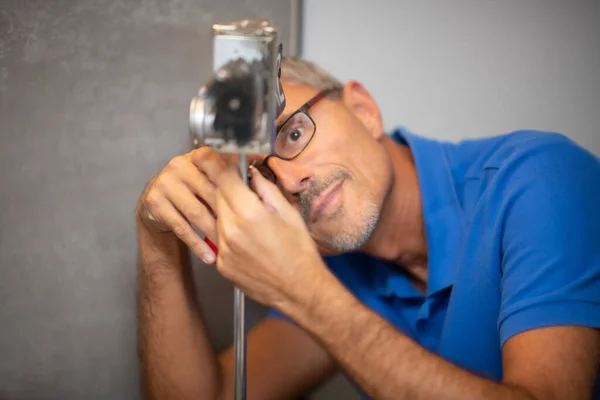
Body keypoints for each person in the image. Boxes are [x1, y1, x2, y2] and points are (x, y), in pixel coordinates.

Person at [135, 57, 600, 400]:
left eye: (293, 133)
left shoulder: (540, 177)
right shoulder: (341, 271)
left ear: (363, 109)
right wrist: (157, 244)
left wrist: (307, 294)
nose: (292, 182)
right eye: (262, 179)